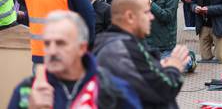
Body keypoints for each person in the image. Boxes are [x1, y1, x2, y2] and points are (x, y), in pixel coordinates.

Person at [8, 11, 140, 109]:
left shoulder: (112, 90)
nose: (52, 51)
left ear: (82, 48)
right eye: (47, 44)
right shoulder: (27, 91)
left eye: (61, 43)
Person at [93, 0, 189, 108]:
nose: (151, 17)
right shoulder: (123, 49)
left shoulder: (116, 43)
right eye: (146, 12)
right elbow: (164, 88)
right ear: (130, 16)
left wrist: (159, 67)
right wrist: (174, 66)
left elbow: (143, 77)